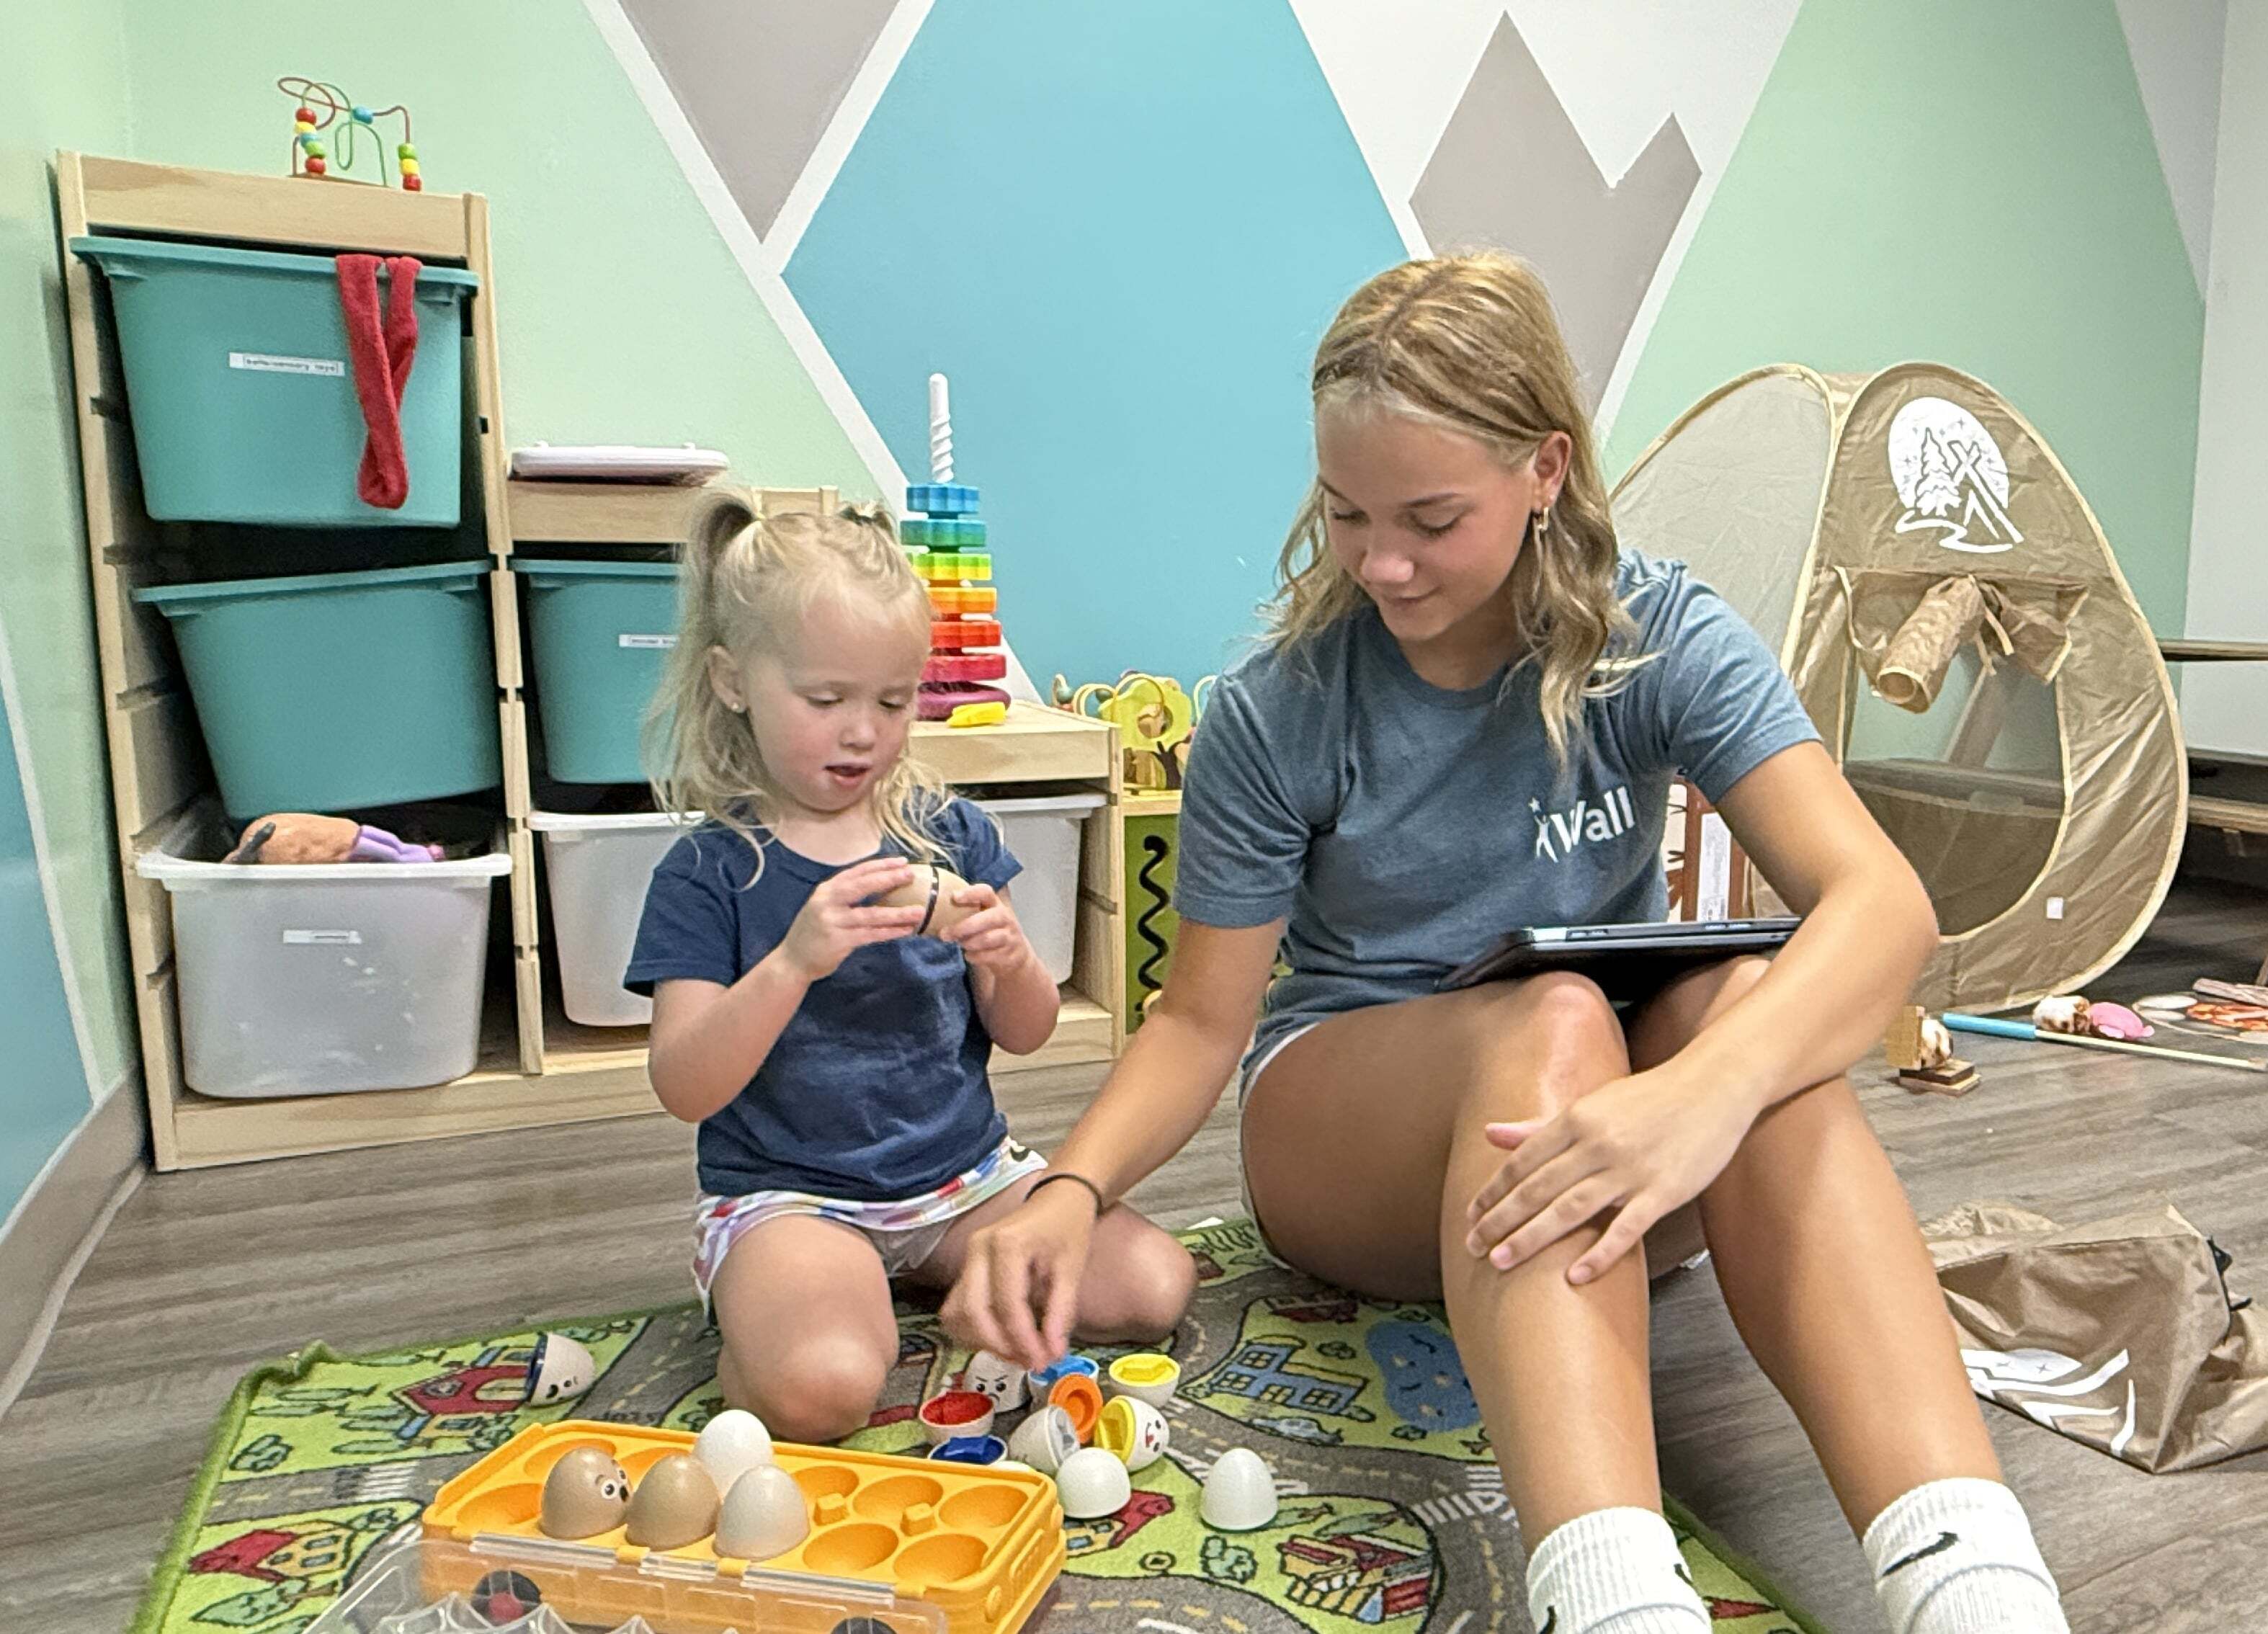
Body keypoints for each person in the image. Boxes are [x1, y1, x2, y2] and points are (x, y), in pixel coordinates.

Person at [954, 254, 2068, 1634]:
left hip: (1615, 1138)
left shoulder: (1658, 634)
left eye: (1431, 517)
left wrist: (1702, 1095)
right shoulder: (1278, 705)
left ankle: (1971, 1578)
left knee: (1731, 1008)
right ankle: (1608, 1603)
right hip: (1351, 1133)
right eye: (1348, 513)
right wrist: (1070, 1188)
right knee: (1558, 1020)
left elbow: (1882, 905)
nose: (1382, 563)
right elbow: (1197, 1023)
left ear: (1546, 470)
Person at [623, 494, 1196, 1442]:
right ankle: (761, 1318)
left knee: (1153, 1285)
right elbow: (684, 1084)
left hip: (965, 1182)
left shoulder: (953, 835)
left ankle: (928, 1274)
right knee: (828, 1389)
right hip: (794, 1199)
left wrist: (1009, 962)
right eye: (825, 700)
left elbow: (1026, 1030)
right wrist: (793, 963)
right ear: (732, 682)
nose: (863, 732)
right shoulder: (709, 871)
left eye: (892, 702)